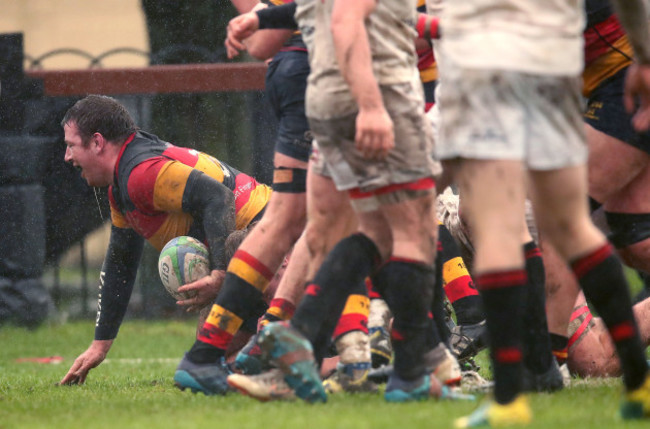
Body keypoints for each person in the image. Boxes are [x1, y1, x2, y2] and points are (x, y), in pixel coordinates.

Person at [434, 0, 650, 425]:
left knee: (505, 223)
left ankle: (523, 385)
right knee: (586, 231)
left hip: (530, 85)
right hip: (556, 88)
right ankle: (630, 382)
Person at [225, 0, 446, 404]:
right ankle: (414, 370)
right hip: (377, 96)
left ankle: (294, 357)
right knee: (414, 230)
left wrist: (259, 17)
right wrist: (373, 107)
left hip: (325, 100)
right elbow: (347, 16)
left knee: (346, 234)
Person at [58, 95, 271, 385]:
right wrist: (100, 344)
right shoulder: (121, 188)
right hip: (249, 249)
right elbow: (121, 263)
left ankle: (308, 338)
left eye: (71, 145)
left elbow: (218, 197)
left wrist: (220, 272)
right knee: (202, 367)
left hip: (271, 233)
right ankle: (275, 348)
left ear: (97, 142)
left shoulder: (140, 175)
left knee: (211, 364)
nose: (67, 157)